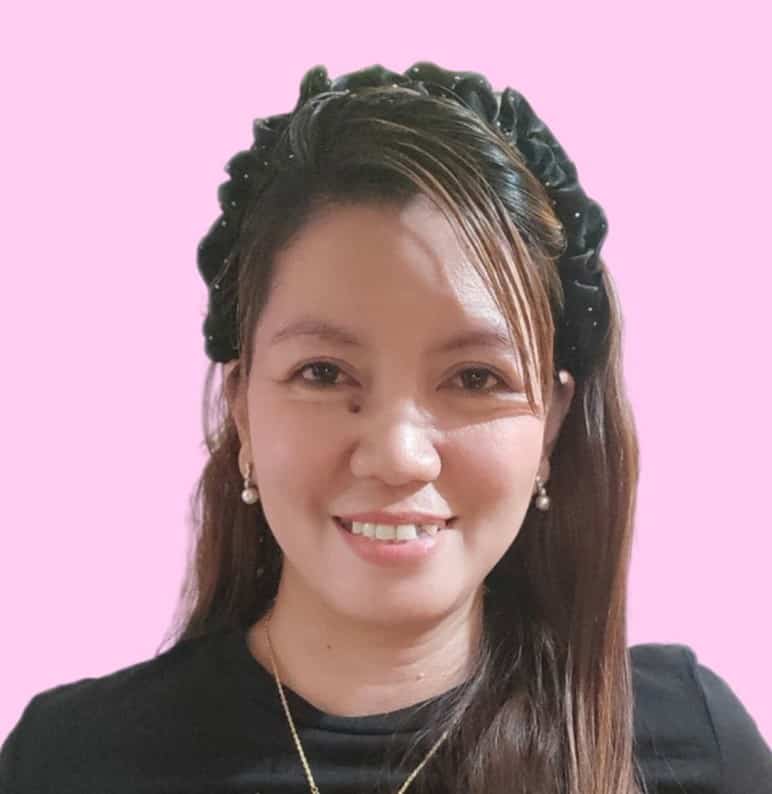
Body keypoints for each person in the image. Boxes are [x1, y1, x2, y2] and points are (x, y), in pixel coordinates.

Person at [1, 61, 770, 794]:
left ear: (552, 426)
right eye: (324, 373)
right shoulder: (69, 761)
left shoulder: (688, 751)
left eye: (475, 378)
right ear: (242, 408)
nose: (399, 456)